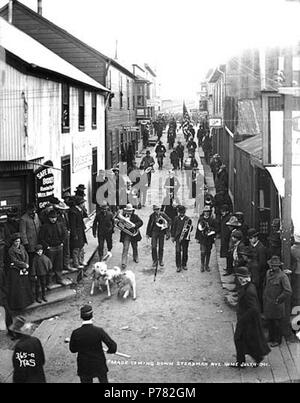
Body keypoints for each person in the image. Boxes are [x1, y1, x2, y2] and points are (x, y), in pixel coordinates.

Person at [232, 266, 270, 368]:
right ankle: (256, 357)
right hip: (248, 319)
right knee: (248, 339)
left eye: (238, 277)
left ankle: (242, 363)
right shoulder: (249, 286)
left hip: (247, 320)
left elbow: (254, 308)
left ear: (242, 277)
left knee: (238, 339)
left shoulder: (249, 291)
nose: (237, 279)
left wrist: (243, 318)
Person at [69, 305, 117, 383]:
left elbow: (72, 349)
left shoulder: (76, 333)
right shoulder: (99, 331)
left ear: (81, 317)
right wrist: (109, 351)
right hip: (99, 363)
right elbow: (113, 346)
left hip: (84, 365)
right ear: (92, 315)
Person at [263, 256, 292, 347]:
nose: (273, 267)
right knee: (270, 321)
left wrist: (279, 299)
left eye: (275, 266)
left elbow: (288, 291)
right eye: (272, 265)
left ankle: (277, 340)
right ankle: (271, 337)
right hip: (268, 302)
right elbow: (265, 285)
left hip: (277, 304)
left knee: (277, 324)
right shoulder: (268, 273)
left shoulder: (282, 276)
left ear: (279, 266)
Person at [10, 316, 46, 383]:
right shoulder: (36, 340)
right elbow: (42, 360)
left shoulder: (20, 347)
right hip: (40, 377)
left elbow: (20, 371)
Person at [39, 210, 68, 286]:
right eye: (52, 218)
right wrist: (47, 246)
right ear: (48, 218)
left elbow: (65, 234)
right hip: (50, 248)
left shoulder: (60, 225)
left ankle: (59, 279)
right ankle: (49, 282)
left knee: (59, 265)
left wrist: (62, 243)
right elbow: (41, 238)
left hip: (59, 247)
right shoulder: (45, 226)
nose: (53, 219)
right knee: (50, 265)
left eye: (55, 218)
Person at [7, 233, 34, 311]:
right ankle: (20, 305)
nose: (17, 243)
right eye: (16, 241)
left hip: (24, 268)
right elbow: (15, 261)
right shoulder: (11, 250)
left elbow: (26, 255)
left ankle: (28, 301)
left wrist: (26, 264)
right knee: (18, 287)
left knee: (26, 285)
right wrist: (24, 265)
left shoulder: (22, 247)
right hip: (16, 270)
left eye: (18, 241)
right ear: (13, 242)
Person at [119, 204, 143, 269]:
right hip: (126, 235)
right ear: (125, 211)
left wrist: (134, 225)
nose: (129, 212)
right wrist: (121, 225)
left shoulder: (135, 216)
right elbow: (119, 224)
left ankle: (135, 257)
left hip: (134, 235)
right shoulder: (122, 217)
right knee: (125, 248)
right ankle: (124, 262)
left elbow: (141, 222)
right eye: (127, 211)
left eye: (130, 211)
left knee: (134, 247)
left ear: (132, 211)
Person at [248, 228, 268, 307]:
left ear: (256, 238)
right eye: (249, 238)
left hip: (259, 274)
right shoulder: (252, 245)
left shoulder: (261, 248)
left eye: (251, 238)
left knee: (258, 291)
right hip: (253, 272)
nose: (250, 240)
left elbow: (262, 264)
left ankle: (259, 308)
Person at [69, 196, 88, 272]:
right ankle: (76, 263)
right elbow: (72, 225)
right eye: (83, 203)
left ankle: (80, 261)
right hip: (76, 232)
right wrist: (74, 235)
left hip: (80, 231)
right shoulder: (73, 212)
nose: (84, 204)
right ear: (79, 204)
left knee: (81, 246)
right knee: (76, 248)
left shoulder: (79, 210)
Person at [171, 206, 193, 272]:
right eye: (180, 212)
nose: (181, 214)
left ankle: (184, 264)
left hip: (185, 238)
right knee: (177, 251)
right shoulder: (176, 218)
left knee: (185, 251)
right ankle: (178, 266)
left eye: (183, 212)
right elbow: (173, 228)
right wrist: (172, 236)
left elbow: (191, 228)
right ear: (178, 212)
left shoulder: (188, 219)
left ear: (184, 212)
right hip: (178, 237)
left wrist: (188, 229)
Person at [195, 206, 217, 272]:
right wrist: (197, 238)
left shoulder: (212, 220)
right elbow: (198, 229)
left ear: (209, 212)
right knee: (202, 252)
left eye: (207, 212)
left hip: (209, 238)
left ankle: (207, 265)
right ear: (203, 212)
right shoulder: (201, 219)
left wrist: (210, 229)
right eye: (205, 212)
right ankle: (202, 265)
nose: (206, 213)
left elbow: (216, 229)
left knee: (208, 252)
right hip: (202, 238)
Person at [19, 203, 41, 268]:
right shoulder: (23, 219)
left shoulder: (36, 215)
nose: (33, 212)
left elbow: (39, 225)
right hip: (30, 242)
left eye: (34, 210)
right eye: (31, 211)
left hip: (38, 240)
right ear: (28, 210)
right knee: (31, 259)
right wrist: (26, 243)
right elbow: (22, 232)